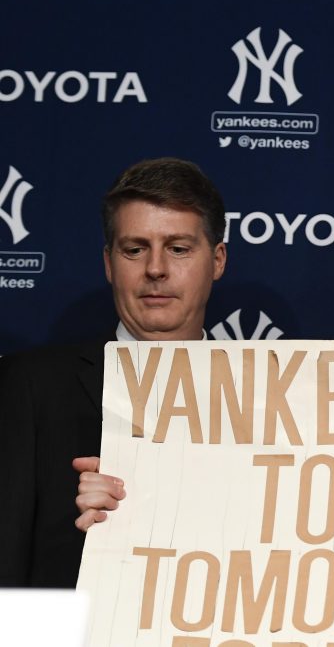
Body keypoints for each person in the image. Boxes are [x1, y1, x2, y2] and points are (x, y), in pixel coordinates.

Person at [0, 157, 227, 587]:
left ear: (217, 260)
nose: (156, 268)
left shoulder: (269, 398)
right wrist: (89, 534)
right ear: (109, 262)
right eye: (135, 249)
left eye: (178, 248)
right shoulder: (30, 386)